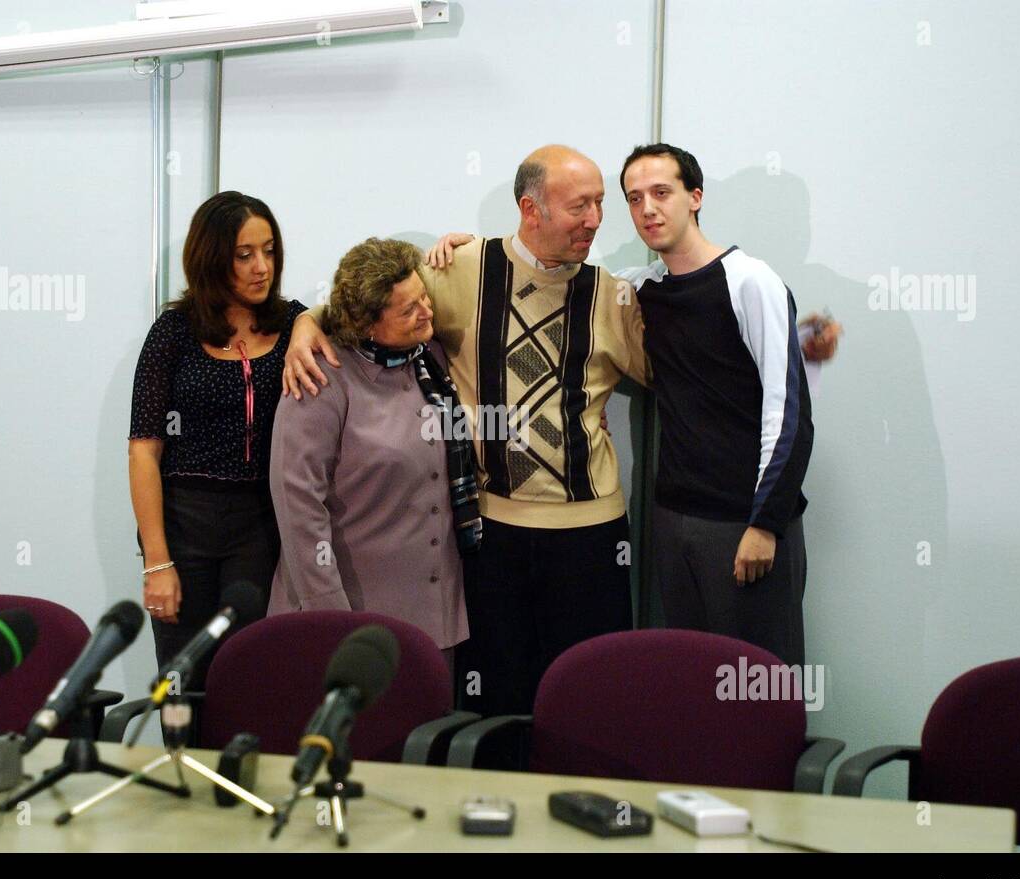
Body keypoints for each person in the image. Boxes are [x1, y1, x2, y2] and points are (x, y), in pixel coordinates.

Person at [284, 146, 648, 716]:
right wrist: (303, 326)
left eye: (601, 204)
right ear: (532, 209)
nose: (596, 220)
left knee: (586, 703)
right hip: (491, 533)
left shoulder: (613, 295)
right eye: (581, 206)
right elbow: (363, 305)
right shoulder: (460, 269)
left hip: (592, 536)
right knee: (495, 705)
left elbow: (682, 374)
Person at [615, 143, 813, 665]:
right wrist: (471, 249)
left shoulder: (751, 282)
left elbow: (789, 412)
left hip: (744, 523)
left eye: (662, 192)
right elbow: (554, 279)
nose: (648, 209)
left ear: (695, 197)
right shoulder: (644, 288)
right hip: (674, 519)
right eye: (634, 199)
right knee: (694, 686)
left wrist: (765, 524)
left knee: (758, 688)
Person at [267, 238, 478, 673]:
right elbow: (298, 503)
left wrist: (470, 244)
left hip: (436, 620)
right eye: (408, 310)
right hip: (350, 619)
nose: (427, 312)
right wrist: (330, 615)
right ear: (366, 325)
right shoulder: (320, 374)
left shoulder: (430, 358)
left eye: (424, 297)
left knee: (426, 738)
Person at [128, 191, 305, 686]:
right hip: (186, 524)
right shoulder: (174, 333)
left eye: (269, 251)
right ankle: (181, 766)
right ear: (211, 259)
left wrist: (311, 322)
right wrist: (156, 562)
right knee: (184, 681)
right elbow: (143, 449)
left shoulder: (293, 322)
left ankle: (239, 767)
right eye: (244, 255)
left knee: (248, 676)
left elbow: (341, 321)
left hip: (259, 523)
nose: (261, 267)